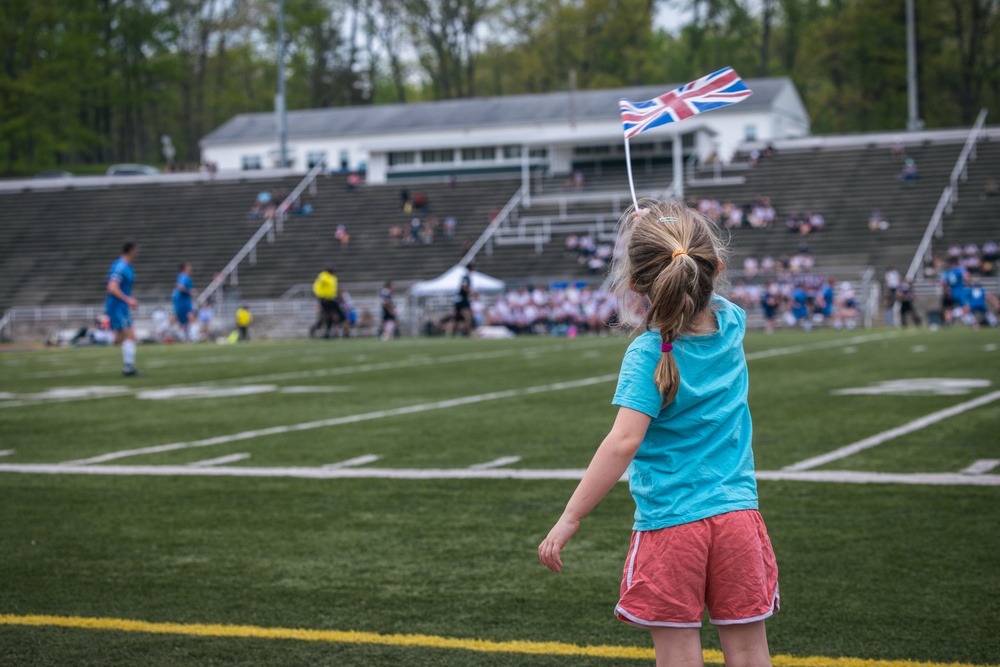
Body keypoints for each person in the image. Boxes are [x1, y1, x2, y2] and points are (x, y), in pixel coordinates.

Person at [538, 200, 778, 667]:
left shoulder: (648, 354)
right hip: (738, 521)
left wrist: (570, 515)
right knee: (750, 652)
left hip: (672, 524)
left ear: (634, 284)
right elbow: (694, 271)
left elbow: (623, 442)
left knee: (677, 656)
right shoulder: (732, 324)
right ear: (715, 268)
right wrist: (661, 230)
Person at [105, 240, 141, 376]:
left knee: (118, 338)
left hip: (121, 305)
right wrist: (128, 299)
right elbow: (112, 287)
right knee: (130, 336)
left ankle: (91, 336)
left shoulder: (127, 266)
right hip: (117, 305)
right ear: (131, 250)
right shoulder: (120, 266)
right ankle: (128, 368)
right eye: (136, 250)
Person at [309, 267, 344, 338]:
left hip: (331, 298)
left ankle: (328, 332)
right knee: (326, 316)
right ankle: (315, 329)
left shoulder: (333, 277)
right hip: (325, 299)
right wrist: (321, 296)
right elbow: (317, 286)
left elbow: (332, 288)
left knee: (336, 315)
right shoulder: (323, 277)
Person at [172, 262, 198, 342]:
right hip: (182, 300)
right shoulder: (183, 276)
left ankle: (188, 337)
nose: (191, 267)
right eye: (189, 266)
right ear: (185, 268)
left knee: (184, 318)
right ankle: (192, 337)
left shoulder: (184, 276)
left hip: (183, 299)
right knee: (187, 317)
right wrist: (190, 291)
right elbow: (180, 286)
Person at [453, 264, 473, 336]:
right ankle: (467, 331)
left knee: (458, 317)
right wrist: (470, 291)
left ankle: (456, 332)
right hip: (463, 300)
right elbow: (464, 286)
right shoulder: (466, 277)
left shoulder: (465, 276)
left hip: (460, 300)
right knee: (467, 315)